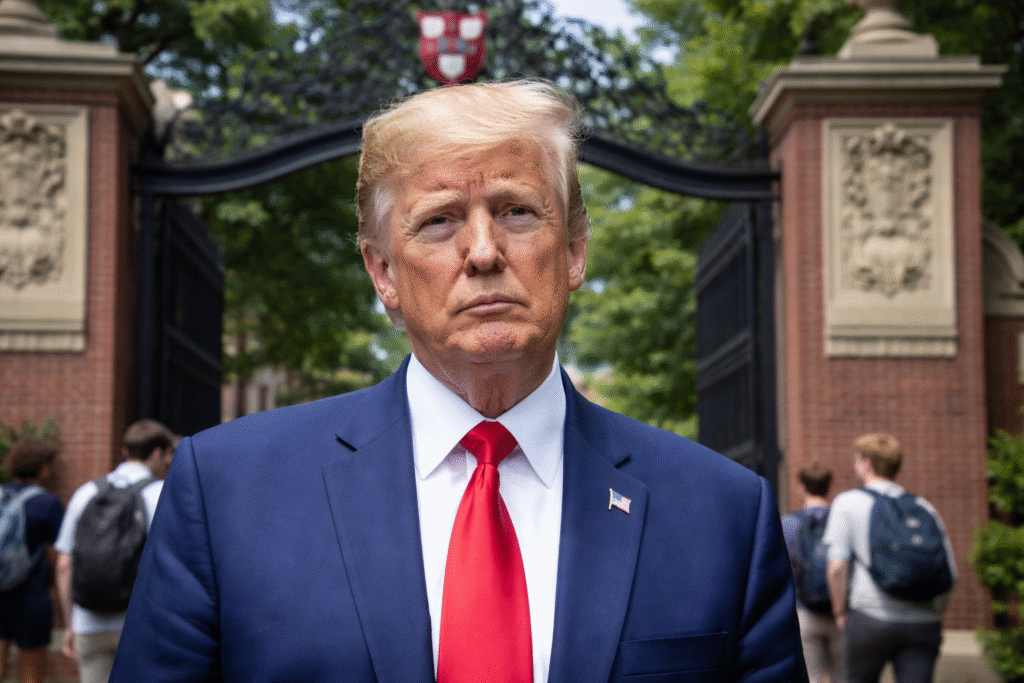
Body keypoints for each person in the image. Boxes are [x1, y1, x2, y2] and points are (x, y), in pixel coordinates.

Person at [109, 79, 806, 683]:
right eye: (439, 221)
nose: (482, 251)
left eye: (517, 211)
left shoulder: (723, 514)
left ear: (574, 250)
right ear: (382, 271)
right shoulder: (227, 491)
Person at [823, 433, 956, 683]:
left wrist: (840, 612)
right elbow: (950, 571)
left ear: (866, 464)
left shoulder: (848, 502)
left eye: (856, 460)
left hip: (870, 617)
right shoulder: (924, 507)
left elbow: (837, 567)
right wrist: (934, 612)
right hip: (924, 622)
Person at [54, 419, 174, 683]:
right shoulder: (160, 494)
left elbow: (64, 564)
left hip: (88, 622)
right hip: (140, 625)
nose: (167, 463)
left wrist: (71, 622)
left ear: (125, 451)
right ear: (157, 453)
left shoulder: (86, 492)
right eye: (167, 456)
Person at [0, 437, 64, 683]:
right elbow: (58, 554)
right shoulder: (47, 503)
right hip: (31, 597)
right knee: (31, 677)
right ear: (44, 467)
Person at [782, 462, 842, 683]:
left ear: (801, 487)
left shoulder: (789, 523)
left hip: (804, 611)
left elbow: (782, 568)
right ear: (829, 486)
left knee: (812, 678)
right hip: (841, 612)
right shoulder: (841, 519)